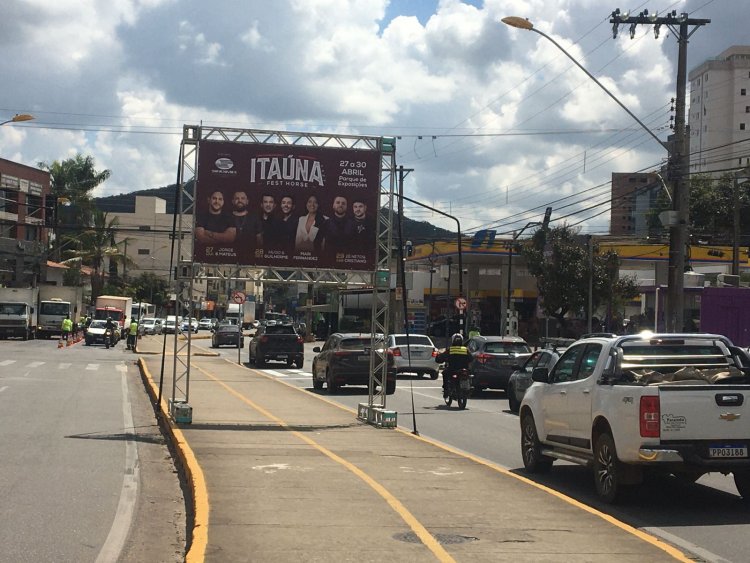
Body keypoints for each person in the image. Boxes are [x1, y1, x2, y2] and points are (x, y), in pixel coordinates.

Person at [435, 333, 472, 398]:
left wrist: (438, 357)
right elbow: (471, 358)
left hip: (452, 369)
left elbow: (441, 358)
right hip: (464, 369)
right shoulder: (465, 349)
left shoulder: (450, 349)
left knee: (444, 373)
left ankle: (446, 391)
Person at [321, 195, 354, 260]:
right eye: (338, 202)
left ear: (346, 207)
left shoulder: (352, 224)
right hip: (328, 261)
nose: (340, 205)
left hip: (348, 262)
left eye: (343, 203)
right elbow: (320, 243)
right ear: (333, 205)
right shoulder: (326, 223)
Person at [230, 190, 261, 255]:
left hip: (251, 254)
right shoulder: (227, 217)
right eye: (237, 198)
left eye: (243, 198)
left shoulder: (254, 218)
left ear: (247, 201)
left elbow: (259, 238)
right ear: (232, 201)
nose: (240, 201)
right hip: (231, 254)